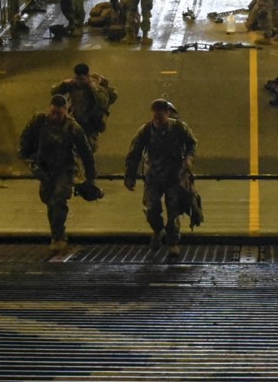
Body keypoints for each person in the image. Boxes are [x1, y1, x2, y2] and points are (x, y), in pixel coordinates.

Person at [20, 93, 96, 254]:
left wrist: (90, 177)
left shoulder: (72, 127)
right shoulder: (39, 121)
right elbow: (25, 142)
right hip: (45, 169)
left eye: (59, 113)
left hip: (65, 169)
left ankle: (58, 237)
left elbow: (85, 152)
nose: (55, 116)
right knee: (49, 200)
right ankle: (57, 233)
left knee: (59, 199)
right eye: (53, 112)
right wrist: (30, 162)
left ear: (66, 112)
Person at [124, 98, 199, 256]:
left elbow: (192, 143)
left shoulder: (179, 128)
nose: (157, 119)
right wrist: (130, 175)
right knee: (152, 210)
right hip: (154, 177)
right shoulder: (146, 130)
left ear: (168, 113)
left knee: (173, 212)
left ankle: (173, 242)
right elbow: (134, 152)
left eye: (161, 115)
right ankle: (158, 230)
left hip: (175, 176)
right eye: (155, 116)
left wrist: (188, 160)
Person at [53, 62, 117, 152]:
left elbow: (103, 102)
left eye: (82, 79)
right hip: (75, 118)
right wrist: (63, 84)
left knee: (88, 148)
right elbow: (54, 92)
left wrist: (94, 88)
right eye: (77, 79)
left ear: (87, 77)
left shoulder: (95, 86)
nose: (79, 82)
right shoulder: (73, 84)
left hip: (91, 121)